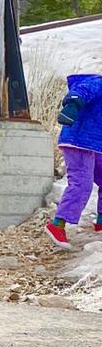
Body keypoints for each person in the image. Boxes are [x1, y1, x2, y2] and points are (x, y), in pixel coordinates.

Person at [46, 73, 102, 246]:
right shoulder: (97, 82)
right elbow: (81, 91)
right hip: (78, 141)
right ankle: (57, 225)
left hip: (96, 145)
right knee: (82, 183)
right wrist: (73, 105)